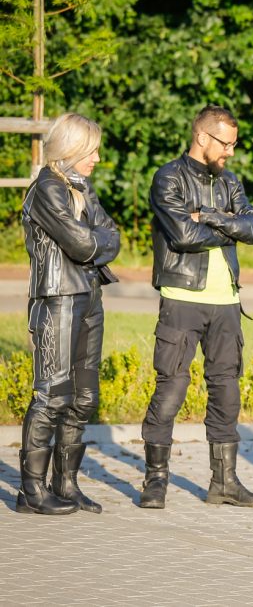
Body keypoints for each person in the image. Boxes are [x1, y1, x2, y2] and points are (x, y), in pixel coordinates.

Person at [140, 105, 253, 509]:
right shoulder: (168, 178)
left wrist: (211, 217)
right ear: (203, 138)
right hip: (182, 299)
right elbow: (181, 235)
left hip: (227, 302)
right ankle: (155, 480)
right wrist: (229, 226)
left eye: (233, 144)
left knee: (226, 391)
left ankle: (224, 483)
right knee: (171, 388)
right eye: (225, 144)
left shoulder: (230, 182)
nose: (230, 152)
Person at [19, 112, 121, 514]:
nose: (96, 158)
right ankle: (32, 491)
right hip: (58, 298)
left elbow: (111, 235)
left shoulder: (81, 186)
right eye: (91, 150)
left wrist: (97, 240)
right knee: (52, 394)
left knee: (83, 396)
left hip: (90, 296)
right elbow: (82, 245)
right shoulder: (47, 187)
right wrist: (97, 240)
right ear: (72, 148)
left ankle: (66, 484)